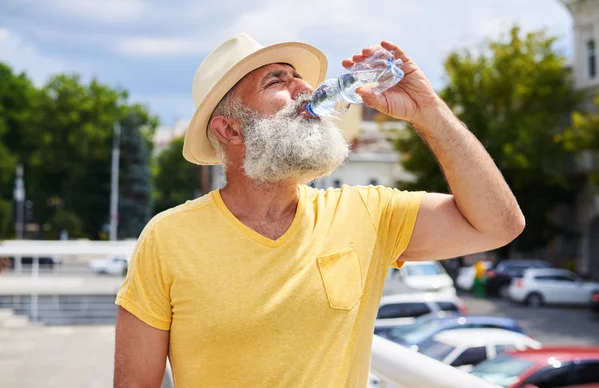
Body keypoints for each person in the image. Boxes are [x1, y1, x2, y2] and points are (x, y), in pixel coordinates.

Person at [113, 33, 525, 387]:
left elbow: (499, 226)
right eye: (278, 80)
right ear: (230, 129)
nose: (305, 90)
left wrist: (430, 113)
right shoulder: (168, 238)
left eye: (300, 77)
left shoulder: (367, 212)